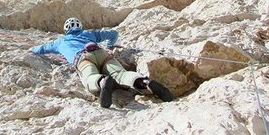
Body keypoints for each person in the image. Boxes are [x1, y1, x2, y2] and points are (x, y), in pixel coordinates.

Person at [30, 17, 173, 108]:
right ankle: (144, 82)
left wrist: (31, 48)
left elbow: (41, 49)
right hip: (102, 53)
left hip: (83, 58)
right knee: (121, 74)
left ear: (65, 30)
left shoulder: (59, 42)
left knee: (89, 77)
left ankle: (102, 82)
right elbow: (113, 33)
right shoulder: (89, 33)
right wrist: (110, 44)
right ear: (79, 26)